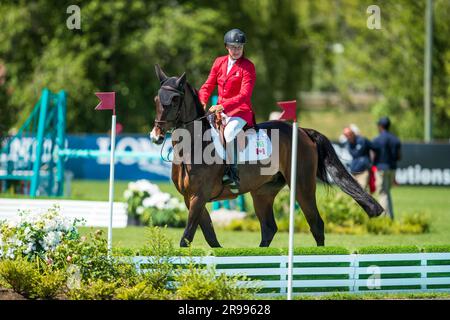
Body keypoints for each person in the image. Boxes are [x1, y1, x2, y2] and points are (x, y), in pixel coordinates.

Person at [198, 28, 256, 193]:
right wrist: (202, 100)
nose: (236, 50)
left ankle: (232, 172)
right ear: (226, 47)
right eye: (233, 47)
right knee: (201, 129)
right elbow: (208, 84)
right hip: (220, 111)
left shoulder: (248, 67)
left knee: (229, 134)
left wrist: (223, 106)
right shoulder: (219, 62)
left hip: (240, 112)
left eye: (239, 47)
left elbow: (244, 95)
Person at [371, 116, 402, 219]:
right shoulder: (395, 139)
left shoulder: (377, 139)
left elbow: (373, 156)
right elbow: (399, 156)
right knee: (387, 192)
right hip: (392, 169)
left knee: (382, 193)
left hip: (381, 169)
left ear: (380, 126)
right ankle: (390, 215)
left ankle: (384, 217)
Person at [342, 126, 372, 190]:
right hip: (353, 171)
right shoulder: (348, 143)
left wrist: (370, 162)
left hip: (363, 171)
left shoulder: (362, 140)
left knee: (362, 191)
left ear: (353, 133)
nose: (347, 137)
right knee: (353, 191)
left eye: (349, 134)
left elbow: (374, 148)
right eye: (345, 135)